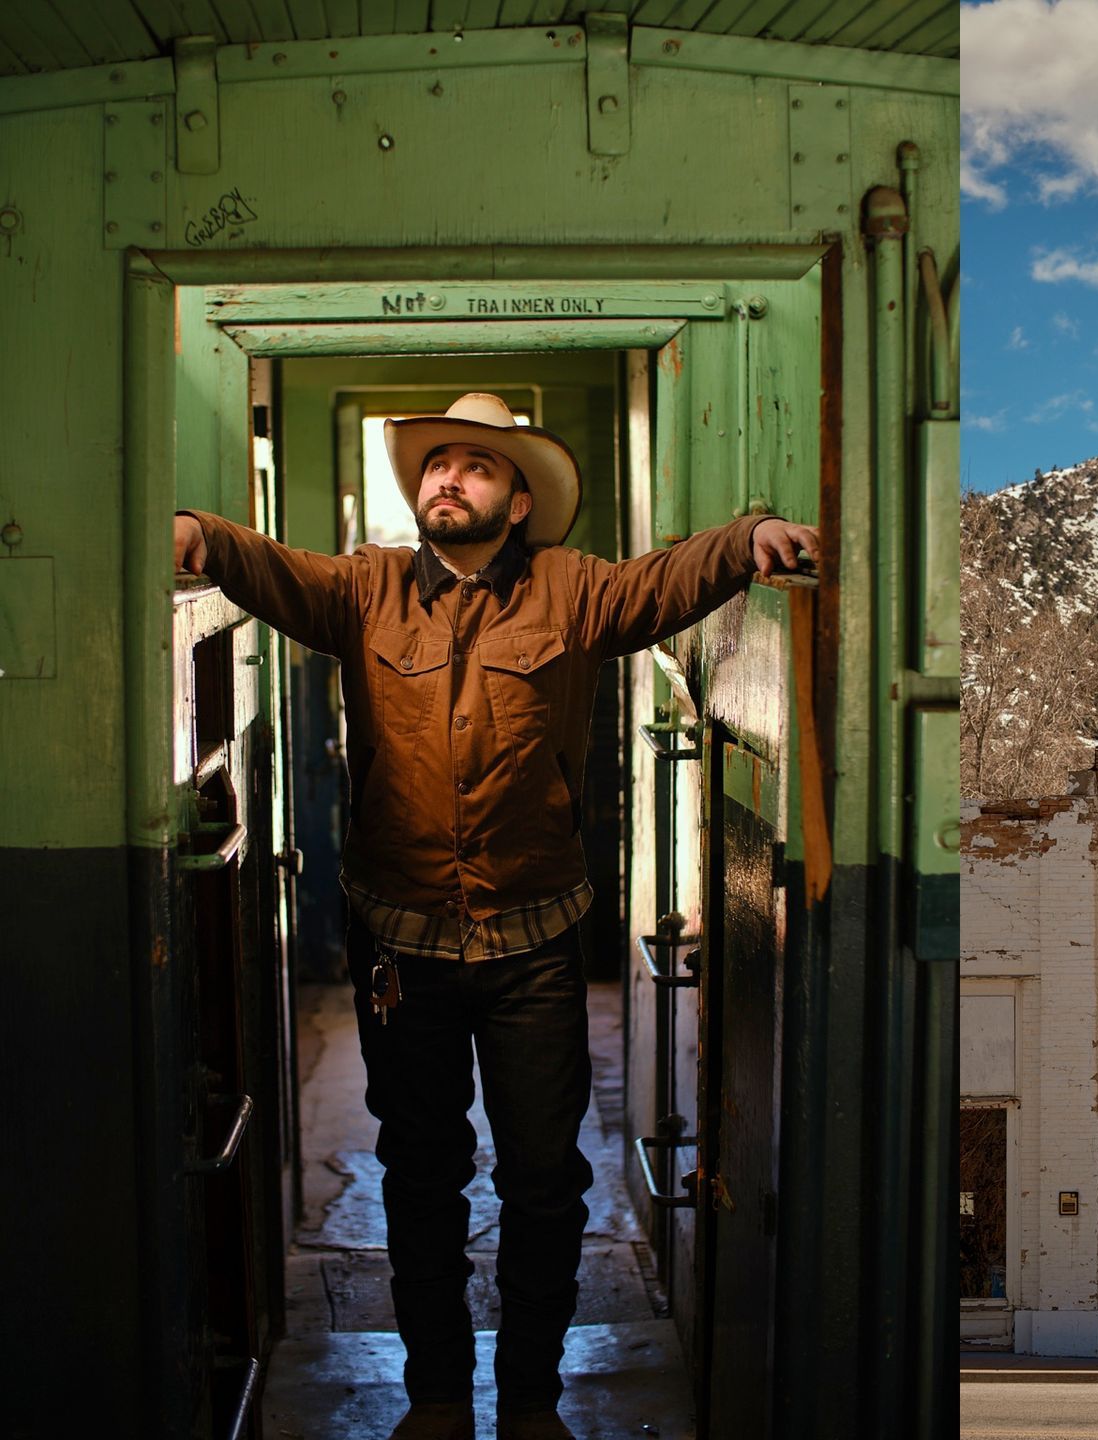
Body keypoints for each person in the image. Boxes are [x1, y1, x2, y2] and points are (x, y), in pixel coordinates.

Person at [174, 392, 819, 1440]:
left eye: (475, 467)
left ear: (518, 500)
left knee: (544, 1181)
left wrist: (751, 542)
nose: (447, 480)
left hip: (535, 949)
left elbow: (668, 582)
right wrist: (200, 534)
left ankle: (530, 1400)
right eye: (435, 464)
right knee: (421, 1175)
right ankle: (435, 1397)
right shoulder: (367, 587)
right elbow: (268, 569)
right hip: (404, 952)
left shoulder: (574, 589)